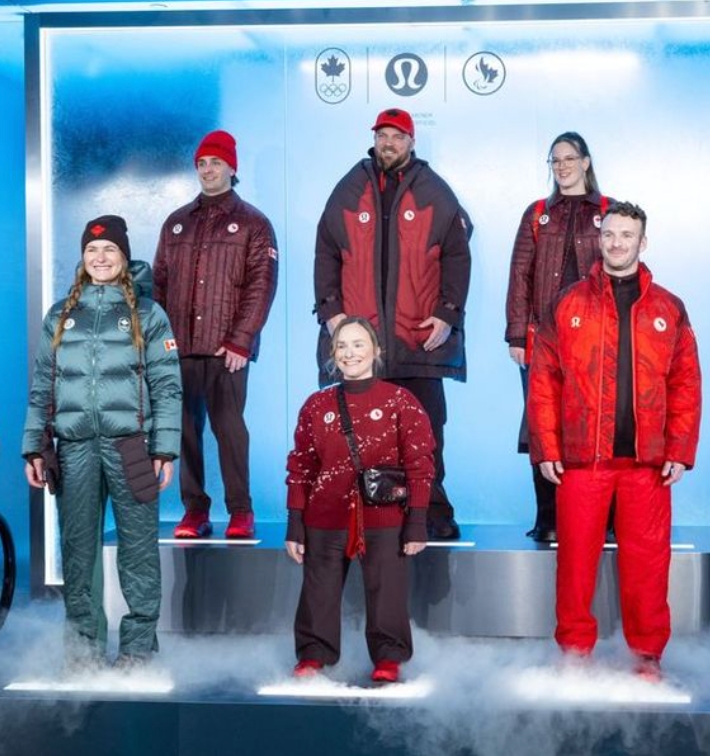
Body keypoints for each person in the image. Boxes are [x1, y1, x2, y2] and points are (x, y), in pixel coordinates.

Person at [527, 202, 701, 680]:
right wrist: (547, 447)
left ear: (643, 242)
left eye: (627, 235)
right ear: (599, 239)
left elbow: (686, 383)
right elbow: (543, 381)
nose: (617, 243)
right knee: (575, 565)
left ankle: (646, 658)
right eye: (610, 235)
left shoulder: (668, 307)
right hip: (583, 460)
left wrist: (680, 450)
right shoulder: (567, 303)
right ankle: (574, 655)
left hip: (648, 464)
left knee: (648, 567)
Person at [22, 215, 182, 670]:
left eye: (110, 249)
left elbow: (167, 386)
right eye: (92, 250)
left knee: (138, 551)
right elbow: (43, 385)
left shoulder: (148, 314)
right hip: (73, 448)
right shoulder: (61, 315)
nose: (100, 257)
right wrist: (35, 446)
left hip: (132, 447)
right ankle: (83, 652)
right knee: (78, 553)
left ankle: (137, 650)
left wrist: (164, 448)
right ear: (82, 257)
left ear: (124, 257)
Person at [314, 108, 471, 540]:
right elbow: (326, 251)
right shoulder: (349, 188)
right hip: (364, 345)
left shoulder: (435, 191)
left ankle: (432, 512)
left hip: (416, 339)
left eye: (398, 136)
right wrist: (331, 311)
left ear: (412, 142)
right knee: (362, 435)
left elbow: (458, 255)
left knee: (426, 433)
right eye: (383, 135)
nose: (389, 143)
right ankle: (368, 514)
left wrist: (448, 313)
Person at [285, 316, 435, 683]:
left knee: (387, 591)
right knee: (318, 591)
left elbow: (420, 463)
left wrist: (417, 521)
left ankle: (389, 658)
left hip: (384, 516)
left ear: (376, 350)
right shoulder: (316, 404)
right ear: (332, 354)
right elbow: (301, 466)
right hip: (325, 514)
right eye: (341, 346)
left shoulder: (401, 401)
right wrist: (295, 524)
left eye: (358, 344)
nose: (349, 353)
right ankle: (314, 654)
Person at [154, 129, 278, 539]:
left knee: (229, 429)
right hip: (180, 348)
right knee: (185, 430)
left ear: (231, 168)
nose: (208, 170)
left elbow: (261, 284)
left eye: (216, 163)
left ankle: (241, 510)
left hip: (228, 350)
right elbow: (159, 284)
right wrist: (159, 342)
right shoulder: (176, 223)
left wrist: (241, 339)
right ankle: (195, 511)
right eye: (202, 163)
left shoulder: (254, 223)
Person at [505, 131, 613, 542]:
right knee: (543, 427)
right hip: (543, 341)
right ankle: (548, 519)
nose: (562, 165)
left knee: (599, 426)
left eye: (569, 158)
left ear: (586, 162)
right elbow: (520, 275)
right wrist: (517, 335)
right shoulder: (537, 215)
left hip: (597, 340)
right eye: (555, 159)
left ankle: (602, 519)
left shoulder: (608, 211)